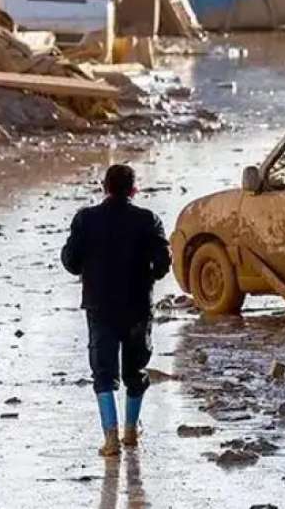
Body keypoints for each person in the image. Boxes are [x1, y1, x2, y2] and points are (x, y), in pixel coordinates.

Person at [61, 164, 171, 457]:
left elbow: (70, 261)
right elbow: (163, 263)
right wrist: (148, 274)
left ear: (104, 188)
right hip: (137, 306)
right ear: (134, 191)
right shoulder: (149, 220)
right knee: (135, 370)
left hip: (99, 306)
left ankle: (111, 439)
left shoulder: (85, 219)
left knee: (103, 372)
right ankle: (131, 432)